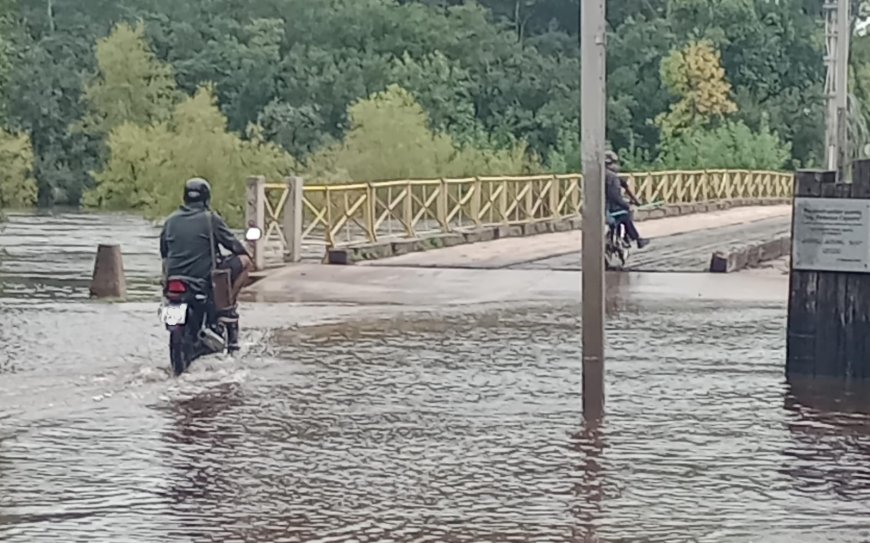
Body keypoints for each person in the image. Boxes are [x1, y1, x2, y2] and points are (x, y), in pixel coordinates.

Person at [159, 177, 254, 351]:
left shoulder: (170, 221)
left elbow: (164, 254)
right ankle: (226, 307)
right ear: (206, 198)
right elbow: (235, 246)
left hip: (174, 282)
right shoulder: (211, 219)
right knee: (246, 262)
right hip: (203, 280)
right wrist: (246, 250)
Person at [604, 151, 649, 249]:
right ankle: (635, 238)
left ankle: (626, 237)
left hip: (592, 209)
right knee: (625, 214)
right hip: (606, 209)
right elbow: (615, 197)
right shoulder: (612, 177)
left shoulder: (599, 174)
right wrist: (627, 205)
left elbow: (625, 186)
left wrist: (634, 199)